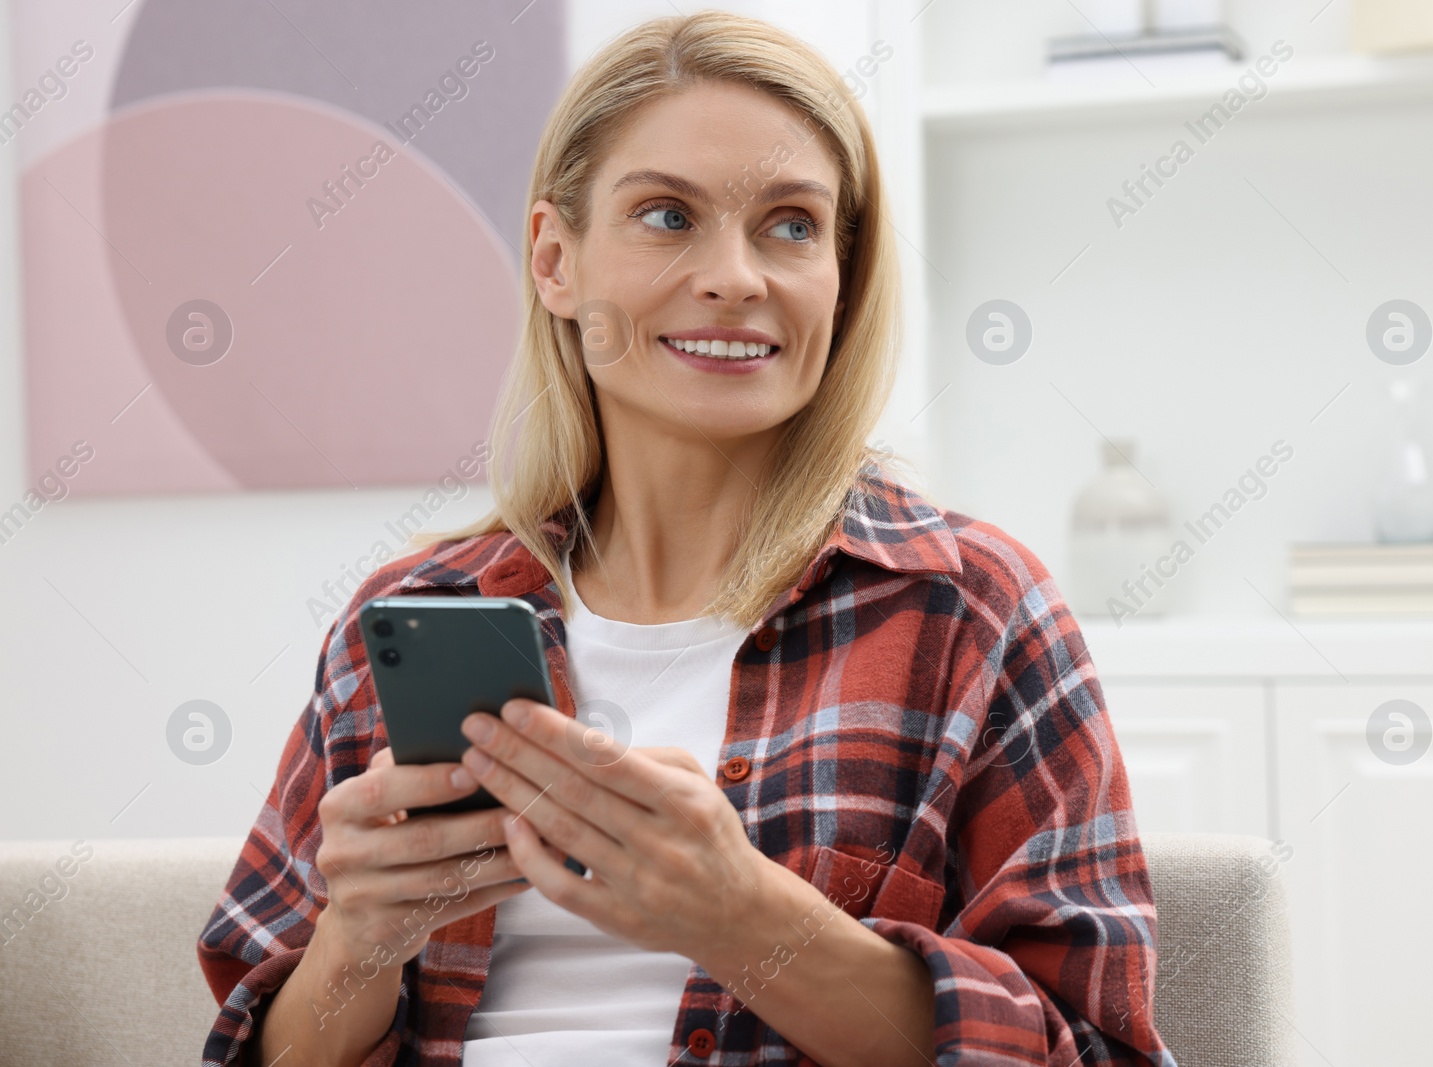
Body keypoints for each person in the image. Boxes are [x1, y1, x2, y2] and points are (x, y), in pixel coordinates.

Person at [197, 11, 1175, 1067]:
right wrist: (360, 938)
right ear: (555, 259)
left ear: (841, 280)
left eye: (792, 225)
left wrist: (743, 918)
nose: (736, 277)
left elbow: (1093, 1049)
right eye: (667, 215)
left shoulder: (969, 607)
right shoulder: (407, 617)